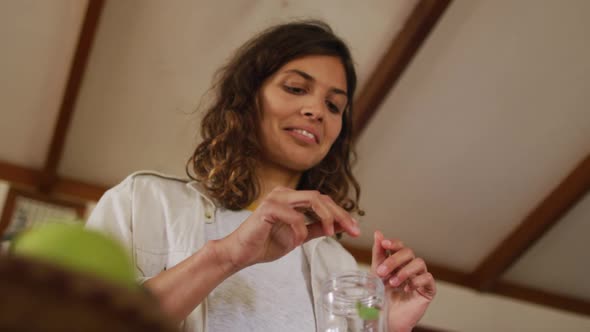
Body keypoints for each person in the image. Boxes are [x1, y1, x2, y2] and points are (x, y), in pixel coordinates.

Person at [87, 20, 436, 332]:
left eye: (334, 106)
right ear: (247, 97)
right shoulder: (143, 201)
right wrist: (227, 256)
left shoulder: (338, 264)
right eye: (296, 88)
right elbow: (81, 320)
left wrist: (387, 325)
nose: (316, 111)